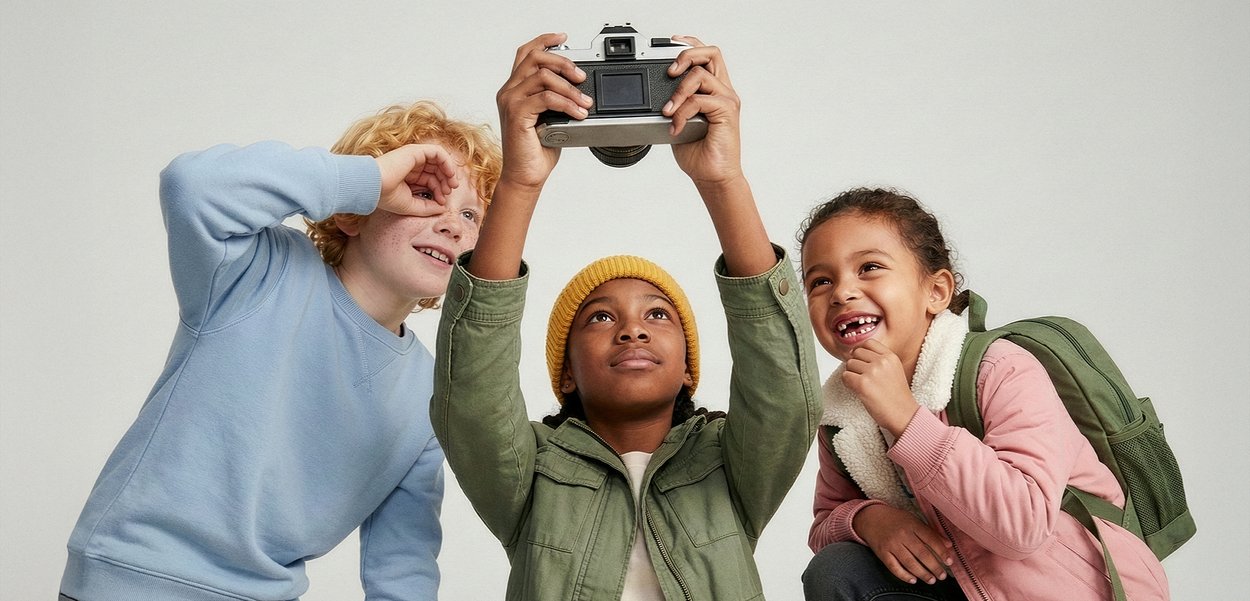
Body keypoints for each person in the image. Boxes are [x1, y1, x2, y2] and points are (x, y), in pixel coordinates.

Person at [429, 33, 821, 600]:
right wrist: (518, 179)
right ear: (564, 373)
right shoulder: (529, 472)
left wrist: (722, 179)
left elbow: (784, 388)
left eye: (659, 315)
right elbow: (471, 393)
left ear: (690, 368)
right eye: (598, 319)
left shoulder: (728, 466)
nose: (632, 328)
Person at [59, 101, 501, 601]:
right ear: (354, 211)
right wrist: (365, 178)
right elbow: (191, 186)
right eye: (424, 195)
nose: (453, 225)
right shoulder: (258, 269)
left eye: (471, 215)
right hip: (135, 577)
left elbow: (404, 564)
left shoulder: (430, 390)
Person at [797, 188, 1170, 601]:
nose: (841, 292)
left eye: (869, 267)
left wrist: (906, 419)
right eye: (820, 281)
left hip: (1074, 590)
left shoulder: (1000, 369)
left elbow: (1023, 528)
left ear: (936, 292)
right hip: (964, 587)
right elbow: (825, 522)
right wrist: (868, 520)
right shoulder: (845, 412)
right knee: (836, 570)